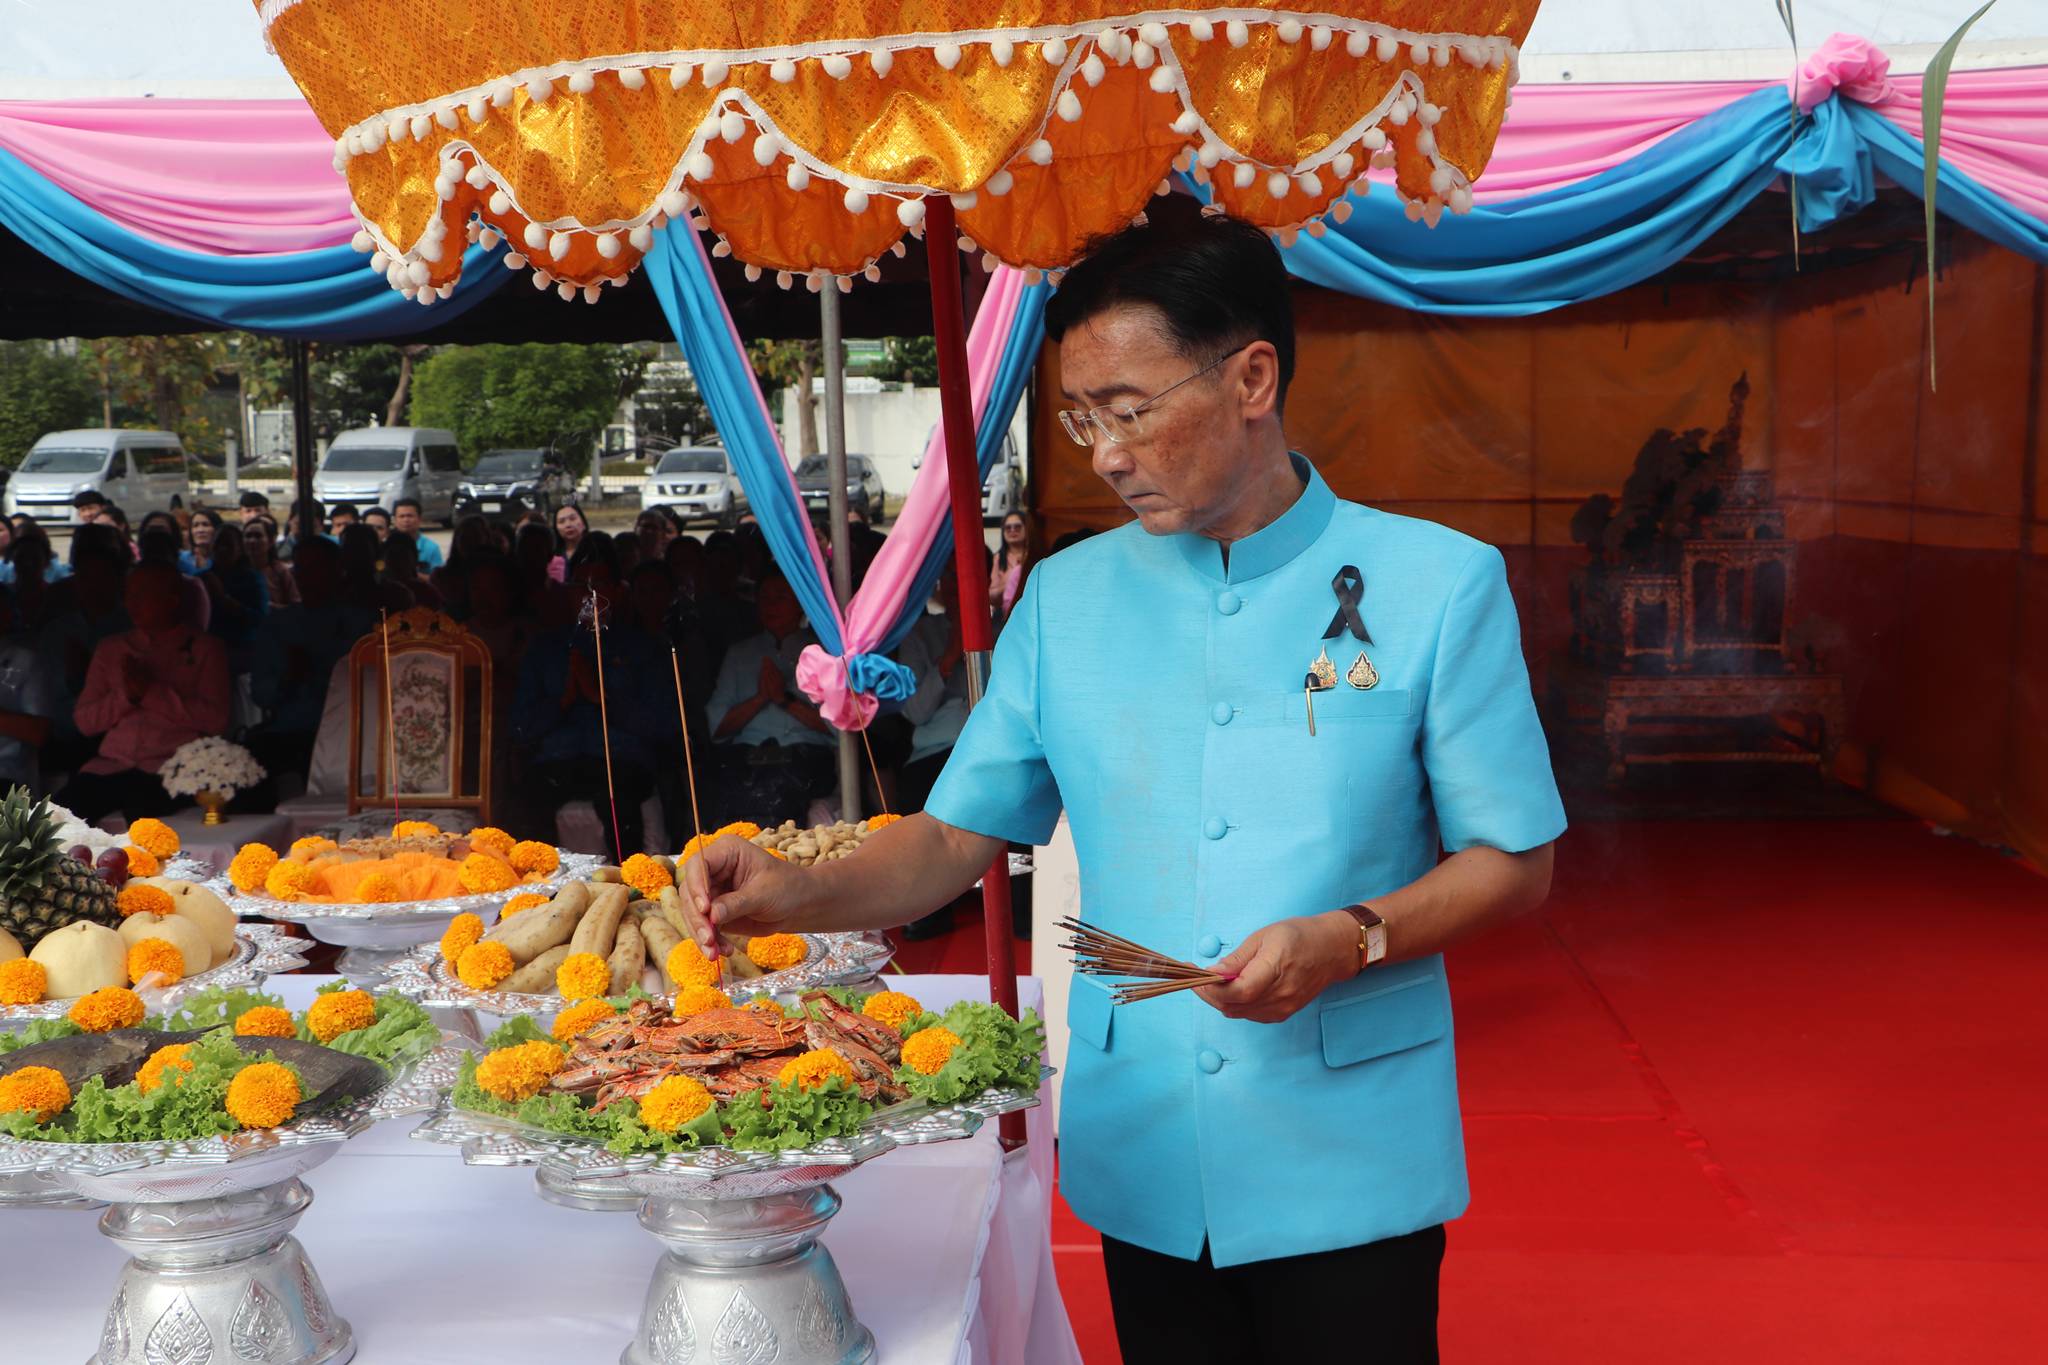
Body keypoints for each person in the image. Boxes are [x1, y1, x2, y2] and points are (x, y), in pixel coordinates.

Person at [680, 208, 1565, 1365]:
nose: (1101, 451)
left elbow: (1515, 861)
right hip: (1144, 1130)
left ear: (1251, 377)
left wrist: (1349, 937)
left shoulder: (1436, 585)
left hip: (1348, 1143)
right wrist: (790, 890)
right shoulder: (1065, 597)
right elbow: (953, 839)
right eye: (1079, 416)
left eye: (1129, 410)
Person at [510, 541, 673, 858]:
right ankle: (543, 895)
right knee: (529, 796)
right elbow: (519, 727)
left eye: (598, 584)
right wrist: (564, 701)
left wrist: (602, 698)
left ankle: (627, 890)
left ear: (618, 590)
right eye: (580, 585)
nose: (590, 595)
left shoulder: (642, 647)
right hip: (560, 759)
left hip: (620, 760)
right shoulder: (547, 648)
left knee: (617, 798)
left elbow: (663, 726)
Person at [56, 563, 231, 821]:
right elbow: (85, 722)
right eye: (129, 595)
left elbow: (216, 720)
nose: (132, 603)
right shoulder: (112, 649)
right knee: (54, 820)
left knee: (144, 819)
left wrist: (152, 693)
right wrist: (127, 696)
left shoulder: (205, 649)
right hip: (111, 767)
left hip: (173, 771)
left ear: (172, 600)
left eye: (143, 595)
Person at [703, 573, 834, 827]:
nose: (771, 605)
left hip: (805, 756)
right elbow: (717, 725)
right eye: (765, 598)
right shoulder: (740, 653)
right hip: (749, 757)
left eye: (781, 598)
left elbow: (839, 727)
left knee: (782, 793)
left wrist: (785, 700)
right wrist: (761, 698)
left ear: (800, 603)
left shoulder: (823, 652)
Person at [250, 536, 372, 785]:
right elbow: (261, 694)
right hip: (291, 735)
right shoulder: (278, 625)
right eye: (301, 569)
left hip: (354, 736)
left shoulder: (363, 626)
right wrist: (289, 677)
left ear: (338, 570)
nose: (307, 577)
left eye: (317, 568)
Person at [988, 510, 1035, 630]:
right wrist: (1010, 582)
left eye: (1017, 527)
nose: (1012, 530)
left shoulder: (1034, 556)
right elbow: (991, 596)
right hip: (1005, 617)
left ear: (1026, 528)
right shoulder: (998, 559)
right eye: (1008, 528)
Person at [243, 516, 300, 608]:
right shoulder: (236, 570)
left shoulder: (280, 571)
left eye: (258, 536)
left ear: (271, 541)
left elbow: (295, 606)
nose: (252, 541)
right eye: (248, 536)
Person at [392, 497, 445, 571]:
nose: (406, 520)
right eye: (402, 516)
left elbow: (438, 580)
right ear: (394, 520)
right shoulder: (387, 546)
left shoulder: (431, 548)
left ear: (420, 519)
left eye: (410, 516)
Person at [552, 502, 588, 582]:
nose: (568, 525)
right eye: (561, 521)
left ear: (584, 523)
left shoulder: (596, 551)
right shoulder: (552, 555)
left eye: (572, 519)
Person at [185, 508, 223, 575]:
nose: (200, 530)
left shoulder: (225, 561)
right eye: (195, 526)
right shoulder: (182, 559)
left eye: (206, 525)